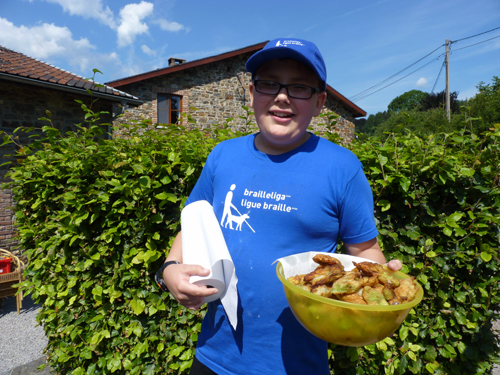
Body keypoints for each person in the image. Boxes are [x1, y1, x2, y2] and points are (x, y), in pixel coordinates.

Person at [156, 38, 402, 375]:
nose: (282, 96)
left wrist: (383, 284)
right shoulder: (222, 156)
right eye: (269, 84)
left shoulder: (342, 168)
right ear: (252, 93)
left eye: (299, 87)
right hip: (213, 356)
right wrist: (169, 269)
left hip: (296, 365)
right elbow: (194, 220)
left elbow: (365, 251)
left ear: (319, 102)